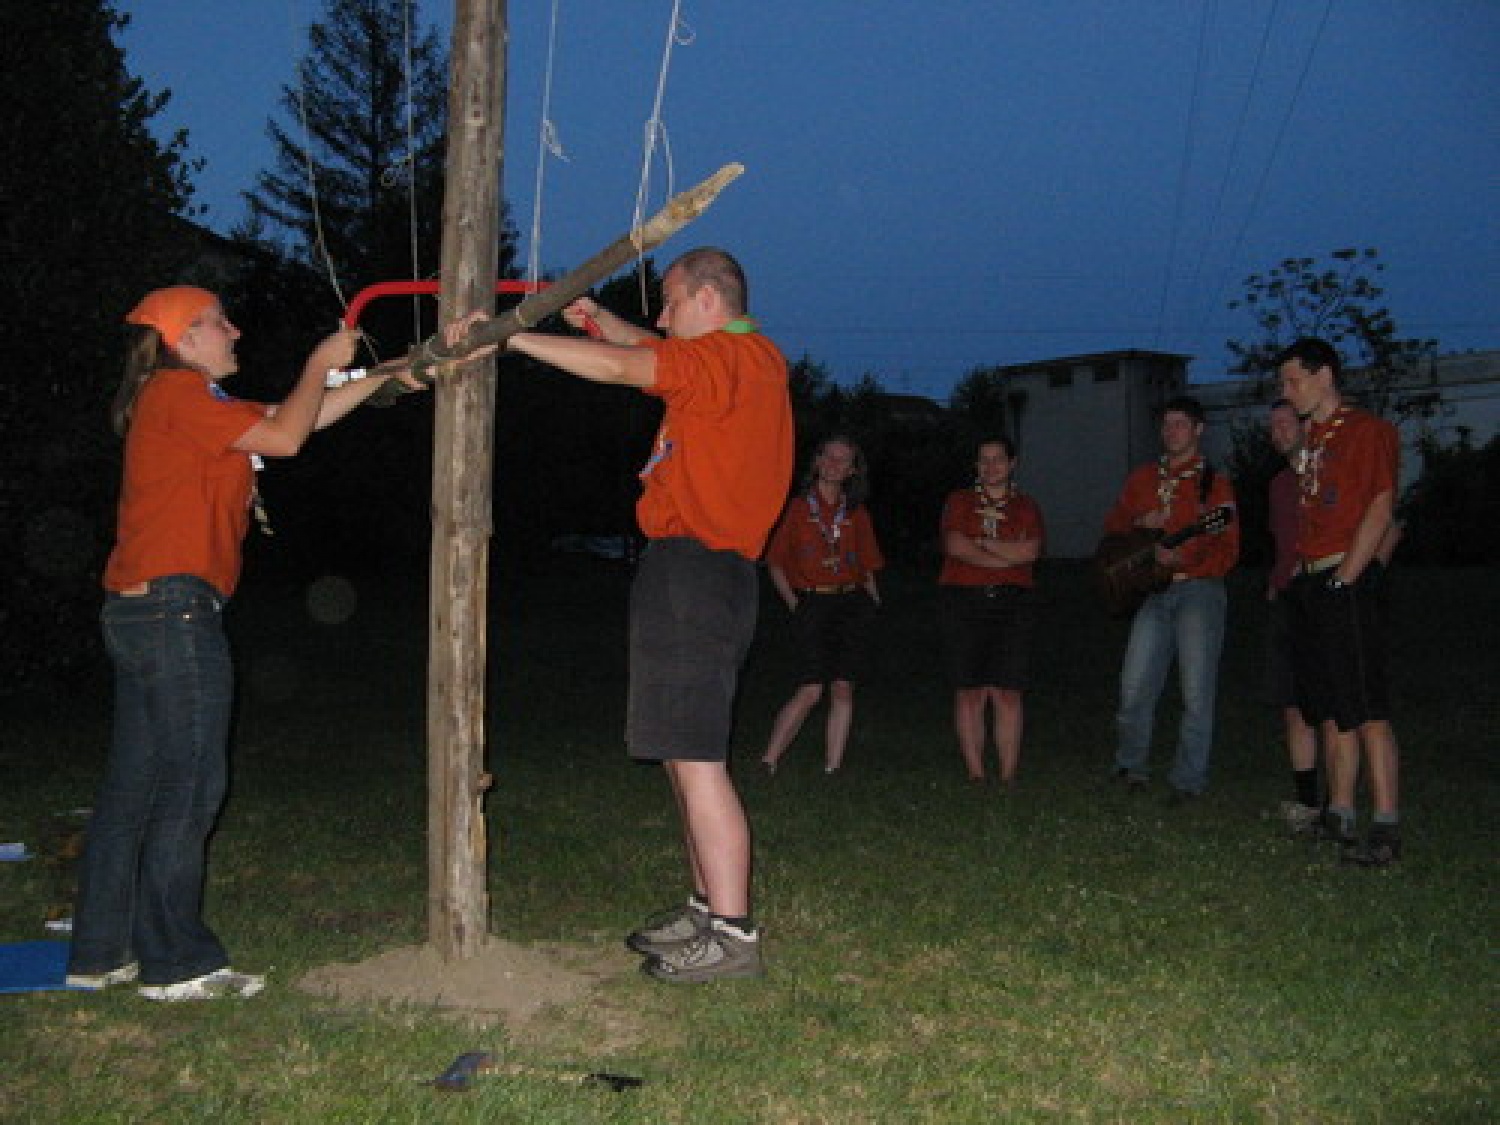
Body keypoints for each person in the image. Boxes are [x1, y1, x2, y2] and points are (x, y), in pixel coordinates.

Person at [445, 248, 793, 982]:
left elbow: (630, 368)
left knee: (698, 758)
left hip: (702, 571)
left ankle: (732, 936)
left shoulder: (740, 359)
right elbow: (648, 351)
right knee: (679, 749)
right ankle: (706, 909)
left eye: (669, 302)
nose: (660, 318)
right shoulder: (725, 367)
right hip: (683, 568)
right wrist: (602, 320)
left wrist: (506, 336)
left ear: (707, 299)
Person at [67, 285, 419, 1001]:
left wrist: (389, 373)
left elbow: (296, 419)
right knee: (194, 781)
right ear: (181, 339)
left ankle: (101, 951)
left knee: (136, 785)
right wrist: (322, 359)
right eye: (217, 321)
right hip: (173, 612)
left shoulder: (185, 403)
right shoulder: (179, 392)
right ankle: (176, 962)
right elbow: (288, 435)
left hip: (143, 612)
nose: (234, 330)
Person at [1276, 337, 1403, 866]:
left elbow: (1379, 510)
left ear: (1324, 375)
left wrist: (1344, 579)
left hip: (1342, 580)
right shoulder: (1314, 439)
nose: (1287, 392)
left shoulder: (1366, 432)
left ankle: (1387, 828)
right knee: (1331, 709)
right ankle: (1341, 815)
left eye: (1293, 381)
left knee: (1366, 707)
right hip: (1310, 581)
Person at [1104, 396, 1238, 802]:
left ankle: (1188, 781)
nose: (1171, 432)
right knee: (1134, 685)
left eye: (1180, 424)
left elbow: (1228, 549)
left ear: (1198, 430)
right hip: (1150, 594)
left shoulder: (1215, 484)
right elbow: (1112, 532)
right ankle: (1131, 766)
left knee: (1197, 692)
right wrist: (1138, 524)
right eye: (1166, 425)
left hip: (1199, 591)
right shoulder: (1143, 479)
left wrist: (1183, 559)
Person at [760, 437, 883, 775]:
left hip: (852, 603)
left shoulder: (856, 513)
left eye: (843, 460)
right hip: (813, 602)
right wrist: (794, 603)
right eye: (829, 456)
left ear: (852, 470)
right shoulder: (798, 509)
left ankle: (833, 768)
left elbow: (869, 564)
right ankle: (769, 760)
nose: (834, 464)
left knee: (843, 688)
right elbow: (774, 562)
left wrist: (873, 603)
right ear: (817, 461)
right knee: (811, 688)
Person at [937, 438, 1045, 788]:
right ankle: (976, 774)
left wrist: (981, 544)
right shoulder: (960, 501)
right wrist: (1003, 558)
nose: (990, 467)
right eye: (984, 461)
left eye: (998, 460)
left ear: (1012, 463)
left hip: (1013, 604)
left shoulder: (1026, 506)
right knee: (970, 690)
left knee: (1007, 691)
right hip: (964, 601)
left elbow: (1029, 552)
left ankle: (1009, 774)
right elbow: (955, 546)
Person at [1266, 398, 1323, 832]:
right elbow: (1283, 542)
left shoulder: (1329, 473)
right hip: (1288, 598)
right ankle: (1308, 801)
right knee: (1292, 703)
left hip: (1328, 595)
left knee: (1335, 703)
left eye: (1287, 422)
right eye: (1274, 426)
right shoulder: (1279, 485)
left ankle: (1340, 806)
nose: (1280, 431)